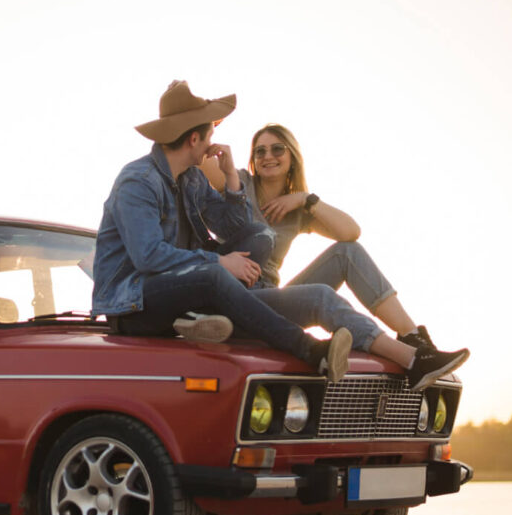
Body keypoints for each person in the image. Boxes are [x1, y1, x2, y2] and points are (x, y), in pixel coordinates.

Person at [93, 81, 466, 389]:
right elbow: (147, 257)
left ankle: (414, 356)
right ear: (194, 138)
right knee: (213, 272)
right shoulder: (137, 181)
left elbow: (234, 229)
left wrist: (234, 181)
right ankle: (313, 351)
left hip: (194, 291)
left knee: (263, 238)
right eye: (210, 132)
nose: (213, 140)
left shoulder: (190, 179)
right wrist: (220, 261)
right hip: (135, 302)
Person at [201, 123, 470, 387]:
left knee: (348, 253)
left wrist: (306, 199)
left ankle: (414, 340)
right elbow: (199, 156)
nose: (268, 156)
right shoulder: (239, 182)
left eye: (277, 149)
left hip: (274, 297)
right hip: (240, 293)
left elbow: (351, 232)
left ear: (292, 157)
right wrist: (206, 119)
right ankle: (412, 361)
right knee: (321, 295)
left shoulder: (298, 211)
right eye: (260, 152)